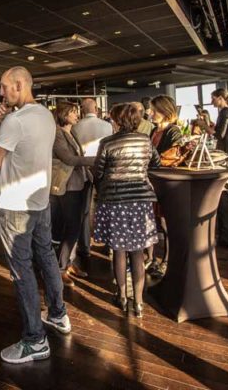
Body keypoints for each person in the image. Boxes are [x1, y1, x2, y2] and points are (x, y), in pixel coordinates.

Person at [0, 66, 71, 364]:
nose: (0, 92)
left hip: (16, 205)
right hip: (40, 200)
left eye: (4, 86)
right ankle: (58, 314)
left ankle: (35, 340)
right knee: (46, 256)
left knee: (21, 269)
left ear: (19, 85)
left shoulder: (15, 121)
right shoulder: (45, 115)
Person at [93, 103, 160, 317]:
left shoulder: (108, 142)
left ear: (117, 120)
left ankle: (122, 296)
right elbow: (155, 163)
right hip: (140, 200)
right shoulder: (145, 140)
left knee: (119, 250)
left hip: (114, 200)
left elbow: (98, 171)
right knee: (138, 251)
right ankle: (139, 302)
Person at [50, 102, 94, 287]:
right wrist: (96, 159)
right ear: (63, 114)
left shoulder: (71, 132)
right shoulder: (57, 134)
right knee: (72, 227)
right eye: (73, 112)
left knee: (76, 224)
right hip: (69, 186)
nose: (77, 115)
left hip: (80, 182)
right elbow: (68, 159)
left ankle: (67, 263)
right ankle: (61, 268)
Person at [71, 97, 113, 261]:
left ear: (82, 110)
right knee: (107, 207)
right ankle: (109, 243)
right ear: (96, 108)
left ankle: (85, 246)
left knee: (84, 210)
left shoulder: (76, 127)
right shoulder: (107, 126)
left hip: (83, 169)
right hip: (104, 170)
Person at [147, 95, 183, 278]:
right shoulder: (154, 130)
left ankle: (166, 260)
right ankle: (151, 258)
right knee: (152, 221)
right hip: (152, 182)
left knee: (165, 222)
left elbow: (170, 157)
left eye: (153, 110)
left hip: (165, 184)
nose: (150, 113)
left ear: (165, 111)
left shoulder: (173, 131)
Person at [203, 89, 228, 168]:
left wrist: (203, 125)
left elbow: (220, 135)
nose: (211, 102)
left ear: (220, 98)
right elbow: (217, 130)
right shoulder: (226, 112)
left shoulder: (225, 112)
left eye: (213, 99)